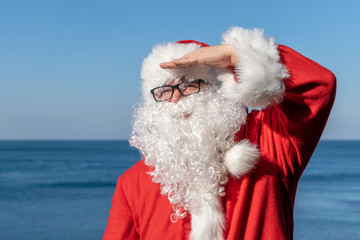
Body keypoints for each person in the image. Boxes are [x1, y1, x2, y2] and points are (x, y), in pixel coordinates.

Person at [103, 27, 336, 240]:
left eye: (189, 85)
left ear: (217, 89)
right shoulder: (132, 183)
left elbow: (318, 85)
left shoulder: (269, 141)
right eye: (164, 90)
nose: (175, 99)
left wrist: (239, 56)